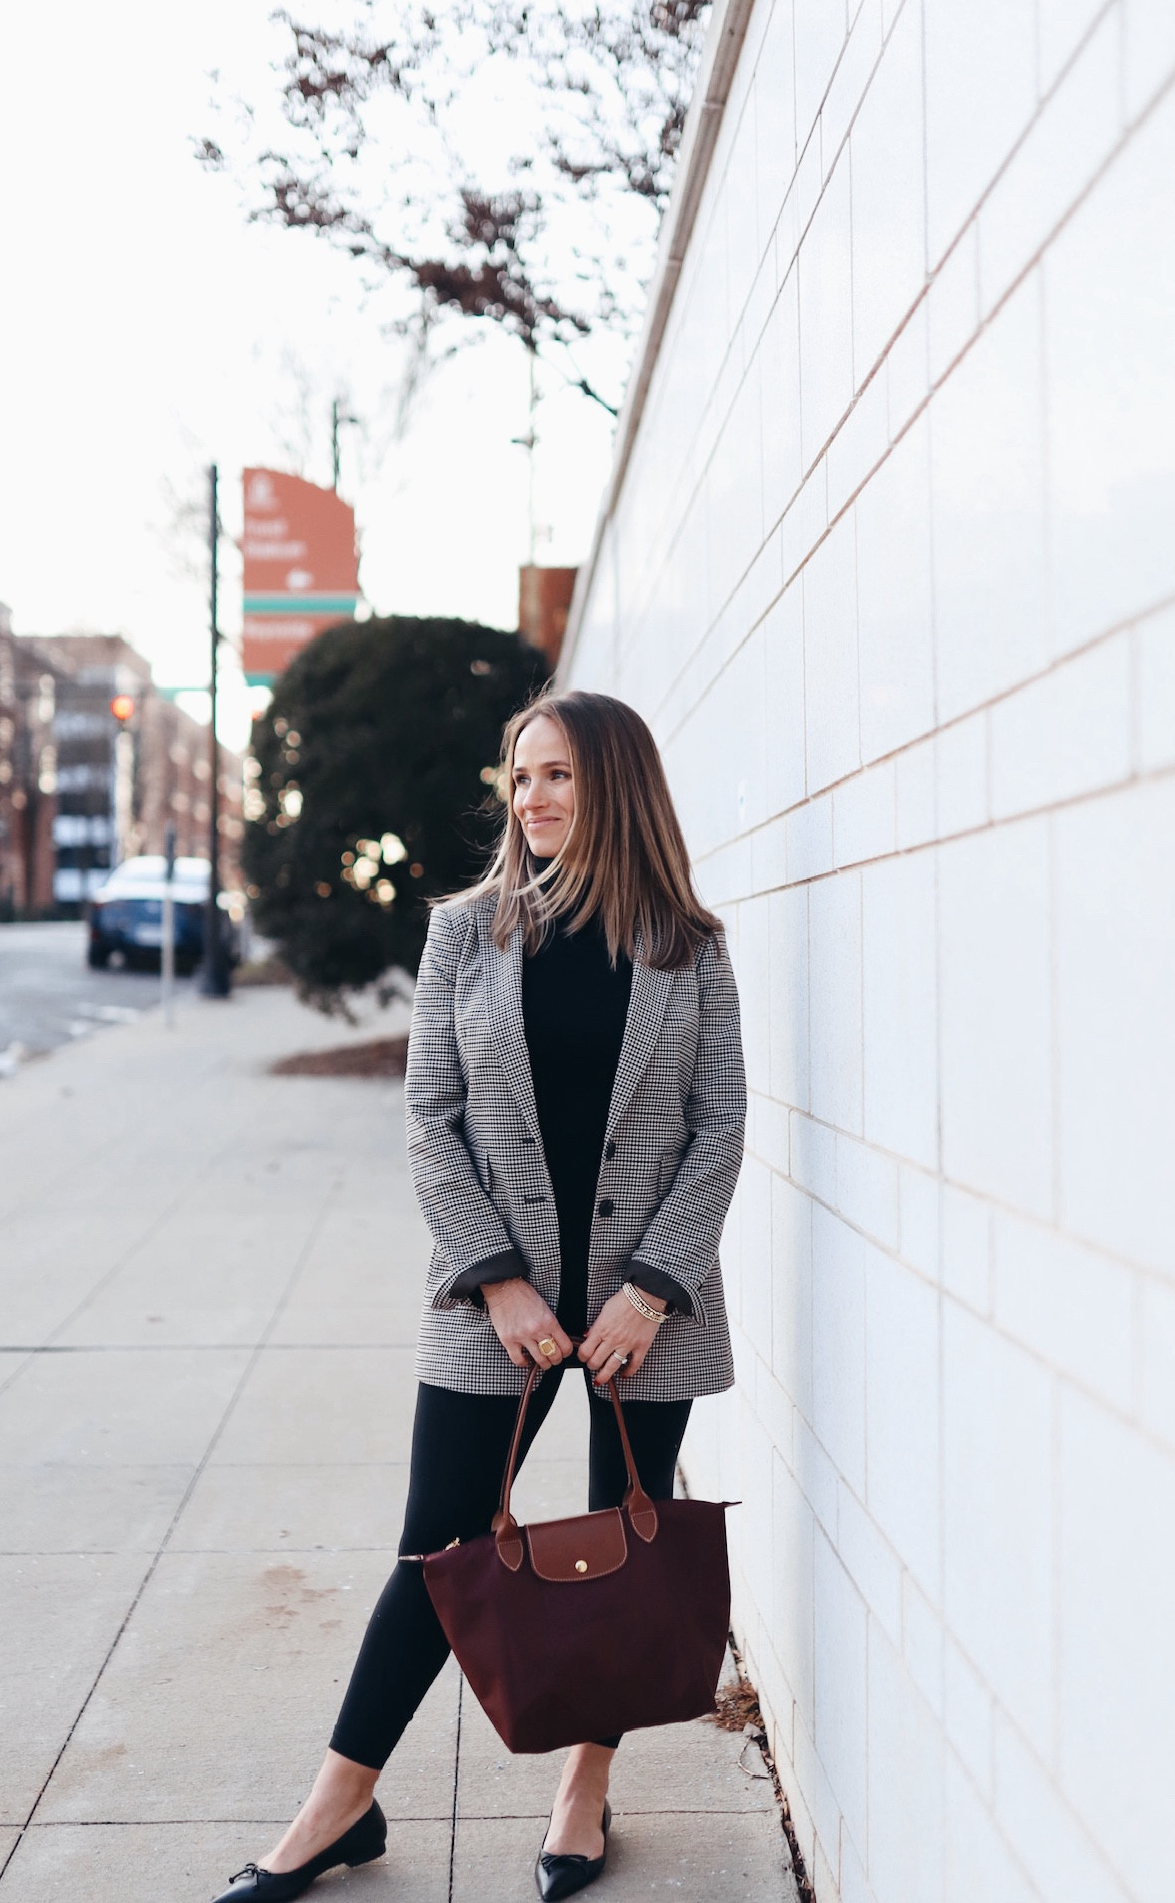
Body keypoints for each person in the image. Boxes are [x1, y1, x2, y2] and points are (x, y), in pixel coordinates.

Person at [210, 691, 745, 1902]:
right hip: (487, 1303)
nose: (536, 798)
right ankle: (340, 1802)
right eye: (522, 777)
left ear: (617, 785)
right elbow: (431, 1119)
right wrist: (499, 1280)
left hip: (638, 1313)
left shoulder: (686, 944)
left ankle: (585, 1788)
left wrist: (652, 1292)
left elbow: (720, 1127)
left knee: (624, 1538)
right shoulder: (467, 930)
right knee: (438, 1548)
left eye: (559, 775)